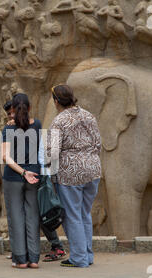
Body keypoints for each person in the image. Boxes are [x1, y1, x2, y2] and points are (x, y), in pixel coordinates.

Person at [46, 84, 102, 268]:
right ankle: (88, 255)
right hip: (93, 170)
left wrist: (50, 174)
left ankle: (79, 258)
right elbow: (98, 143)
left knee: (72, 215)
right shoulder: (88, 115)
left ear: (56, 101)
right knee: (85, 213)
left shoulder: (58, 121)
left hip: (71, 173)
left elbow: (52, 153)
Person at [2, 93, 41, 269]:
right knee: (32, 216)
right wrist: (29, 172)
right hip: (34, 176)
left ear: (13, 110)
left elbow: (6, 158)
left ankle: (20, 259)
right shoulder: (38, 125)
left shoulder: (8, 129)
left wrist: (22, 171)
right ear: (29, 108)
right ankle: (33, 259)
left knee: (16, 216)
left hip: (14, 177)